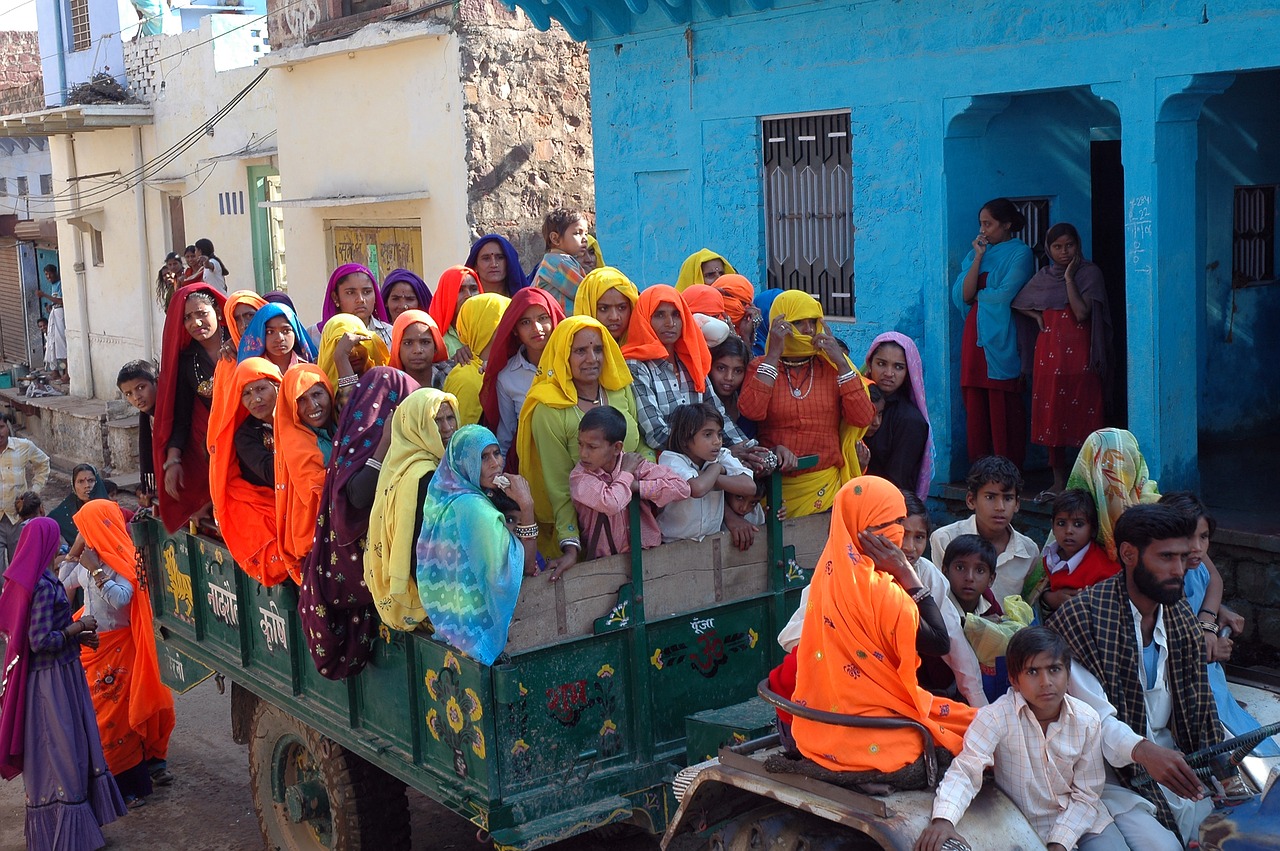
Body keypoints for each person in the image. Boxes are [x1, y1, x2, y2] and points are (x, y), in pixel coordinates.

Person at [1049, 505, 1220, 849]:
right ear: (1129, 554)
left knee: (1225, 834)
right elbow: (1094, 719)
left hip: (1175, 761)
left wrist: (1219, 762)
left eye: (1182, 557)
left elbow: (1201, 705)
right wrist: (1144, 752)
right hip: (1106, 777)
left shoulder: (1177, 612)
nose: (1178, 570)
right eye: (1166, 557)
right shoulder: (1082, 619)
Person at [789, 476, 975, 777]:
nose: (899, 536)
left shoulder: (827, 572)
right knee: (965, 728)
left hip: (818, 722)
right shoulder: (882, 591)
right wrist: (906, 573)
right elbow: (940, 642)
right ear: (859, 528)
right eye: (887, 524)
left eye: (899, 522)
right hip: (873, 720)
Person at [915, 628, 1123, 851]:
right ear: (1014, 680)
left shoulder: (1087, 720)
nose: (1046, 682)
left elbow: (1087, 795)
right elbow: (967, 769)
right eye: (1032, 672)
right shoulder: (995, 717)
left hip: (1083, 825)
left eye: (1054, 669)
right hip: (1023, 827)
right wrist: (943, 820)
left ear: (1068, 673)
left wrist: (1060, 843)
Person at [0, 518, 128, 846]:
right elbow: (39, 640)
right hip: (50, 682)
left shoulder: (40, 579)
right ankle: (67, 834)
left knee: (71, 746)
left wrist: (79, 637)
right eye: (55, 542)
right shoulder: (41, 587)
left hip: (62, 673)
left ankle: (72, 828)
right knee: (60, 750)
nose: (60, 547)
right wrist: (78, 626)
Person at [303, 370, 418, 671]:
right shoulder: (364, 436)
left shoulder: (423, 438)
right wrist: (385, 442)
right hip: (361, 561)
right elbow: (354, 498)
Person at [516, 316, 648, 579]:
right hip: (589, 531)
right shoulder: (549, 410)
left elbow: (641, 447)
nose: (592, 358)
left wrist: (646, 484)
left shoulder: (619, 390)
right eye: (580, 351)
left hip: (639, 518)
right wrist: (571, 545)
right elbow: (559, 486)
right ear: (563, 355)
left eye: (598, 349)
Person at [64, 500, 176, 807]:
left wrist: (97, 571)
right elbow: (64, 581)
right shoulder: (90, 560)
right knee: (100, 719)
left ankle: (130, 786)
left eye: (85, 529)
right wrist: (76, 553)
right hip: (94, 648)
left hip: (118, 649)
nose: (82, 534)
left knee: (118, 721)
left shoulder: (125, 559)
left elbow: (121, 599)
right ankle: (111, 784)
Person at [1158, 491, 1277, 756]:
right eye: (1189, 537)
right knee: (1228, 745)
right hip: (1184, 676)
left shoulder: (1196, 558)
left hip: (1206, 666)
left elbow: (1214, 580)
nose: (1198, 546)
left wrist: (1209, 621)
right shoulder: (1164, 580)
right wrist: (1207, 646)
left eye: (1204, 537)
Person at [739, 290, 877, 517]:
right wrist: (773, 355)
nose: (808, 330)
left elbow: (862, 418)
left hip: (826, 491)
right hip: (776, 492)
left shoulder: (832, 368)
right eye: (798, 323)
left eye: (813, 322)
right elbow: (752, 410)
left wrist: (842, 364)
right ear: (778, 326)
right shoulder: (760, 366)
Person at [415, 425, 535, 665]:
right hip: (476, 636)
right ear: (463, 462)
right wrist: (527, 507)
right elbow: (524, 568)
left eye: (496, 453)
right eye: (483, 457)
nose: (495, 464)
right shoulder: (475, 510)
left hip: (454, 628)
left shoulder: (447, 496)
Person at [1013, 223, 1112, 495]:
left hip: (1082, 356)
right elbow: (1018, 302)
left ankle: (1088, 483)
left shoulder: (1090, 274)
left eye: (1069, 245)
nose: (1064, 252)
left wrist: (1069, 278)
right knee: (1052, 413)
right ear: (1048, 249)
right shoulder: (1044, 276)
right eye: (1057, 247)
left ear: (1078, 245)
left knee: (1086, 414)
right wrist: (1037, 316)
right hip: (1049, 356)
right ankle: (1058, 482)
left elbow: (1081, 313)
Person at [360, 386, 456, 637]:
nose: (447, 428)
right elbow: (419, 552)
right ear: (416, 426)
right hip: (426, 602)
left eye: (450, 417)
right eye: (435, 421)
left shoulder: (400, 463)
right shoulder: (423, 476)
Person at [953, 198, 1036, 468]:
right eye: (981, 224)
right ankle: (980, 472)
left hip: (1001, 336)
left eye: (988, 223)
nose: (983, 230)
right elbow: (965, 296)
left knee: (1004, 403)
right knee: (975, 403)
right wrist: (978, 257)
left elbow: (1005, 295)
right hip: (973, 335)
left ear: (1007, 224)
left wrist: (979, 294)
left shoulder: (1020, 253)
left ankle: (1008, 470)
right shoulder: (977, 253)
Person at [623, 284, 747, 452]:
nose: (670, 323)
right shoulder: (637, 366)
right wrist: (713, 450)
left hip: (708, 455)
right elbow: (656, 434)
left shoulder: (691, 358)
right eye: (659, 315)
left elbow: (717, 413)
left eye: (676, 314)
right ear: (645, 319)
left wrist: (744, 447)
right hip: (668, 464)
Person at [207, 358, 288, 586]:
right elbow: (270, 473)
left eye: (261, 388)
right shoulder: (246, 434)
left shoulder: (299, 414)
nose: (256, 399)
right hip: (270, 502)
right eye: (247, 394)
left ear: (278, 385)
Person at [153, 283, 227, 532]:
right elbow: (182, 417)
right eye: (187, 318)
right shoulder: (188, 362)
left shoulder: (244, 341)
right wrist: (172, 461)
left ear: (217, 311)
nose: (196, 323)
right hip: (222, 443)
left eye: (201, 314)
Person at [570, 406, 690, 559]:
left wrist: (639, 487)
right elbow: (611, 503)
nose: (583, 453)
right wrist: (626, 474)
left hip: (647, 555)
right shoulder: (580, 477)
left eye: (592, 447)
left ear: (617, 448)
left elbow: (683, 488)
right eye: (580, 444)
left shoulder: (636, 465)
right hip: (604, 562)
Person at [929, 455, 1039, 603]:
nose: (1000, 507)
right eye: (990, 497)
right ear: (971, 500)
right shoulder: (945, 539)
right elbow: (943, 600)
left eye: (1008, 498)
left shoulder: (1028, 551)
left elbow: (1026, 607)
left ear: (1017, 504)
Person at [480, 288, 564, 455]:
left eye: (543, 318)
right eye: (525, 322)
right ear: (515, 330)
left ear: (554, 319)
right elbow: (506, 436)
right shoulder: (508, 376)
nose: (536, 328)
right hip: (529, 465)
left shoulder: (572, 362)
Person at [657, 403, 755, 543]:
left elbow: (749, 487)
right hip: (673, 542)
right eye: (708, 435)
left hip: (710, 541)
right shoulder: (671, 460)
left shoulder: (721, 455)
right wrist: (715, 469)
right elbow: (697, 489)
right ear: (686, 439)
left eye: (719, 434)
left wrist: (711, 477)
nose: (717, 441)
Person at [274, 364, 334, 583]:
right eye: (302, 400)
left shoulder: (334, 428)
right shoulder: (298, 441)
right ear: (291, 405)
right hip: (316, 546)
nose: (313, 405)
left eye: (317, 394)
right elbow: (316, 489)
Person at [863, 332, 934, 500]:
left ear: (909, 371)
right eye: (881, 363)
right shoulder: (852, 404)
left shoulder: (910, 421)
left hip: (886, 505)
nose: (889, 373)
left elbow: (897, 482)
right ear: (870, 365)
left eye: (898, 367)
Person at [1040, 489, 1121, 615]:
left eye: (1078, 524)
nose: (1069, 531)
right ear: (1053, 527)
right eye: (1061, 523)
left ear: (1093, 530)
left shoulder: (1103, 571)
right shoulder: (1049, 557)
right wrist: (1049, 597)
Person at [442, 293, 510, 427]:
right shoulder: (465, 379)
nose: (511, 329)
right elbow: (460, 439)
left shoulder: (514, 366)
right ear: (481, 327)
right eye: (502, 323)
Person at [0, 413, 50, 578]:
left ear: (8, 427)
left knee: (20, 569)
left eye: (1, 427)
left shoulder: (23, 446)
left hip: (19, 518)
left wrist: (34, 491)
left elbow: (43, 463)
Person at [309, 264, 393, 349]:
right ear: (335, 298)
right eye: (350, 293)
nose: (360, 299)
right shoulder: (315, 336)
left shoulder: (390, 333)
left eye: (367, 292)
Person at [317, 313, 390, 409]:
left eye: (358, 343)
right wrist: (341, 358)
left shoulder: (384, 381)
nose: (353, 353)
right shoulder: (317, 393)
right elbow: (349, 412)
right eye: (341, 345)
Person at [532, 208, 590, 312]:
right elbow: (585, 293)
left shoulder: (554, 260)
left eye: (586, 233)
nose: (585, 238)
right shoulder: (558, 263)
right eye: (577, 233)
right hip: (564, 326)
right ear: (555, 238)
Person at [237, 302, 317, 373]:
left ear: (296, 334)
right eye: (270, 332)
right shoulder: (252, 371)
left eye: (286, 331)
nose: (279, 338)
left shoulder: (308, 369)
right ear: (260, 336)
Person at [116, 361, 157, 498]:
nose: (136, 397)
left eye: (141, 387)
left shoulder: (170, 413)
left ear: (156, 382)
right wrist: (150, 489)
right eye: (128, 394)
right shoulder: (148, 416)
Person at [428, 265, 484, 361]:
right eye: (460, 290)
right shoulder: (432, 336)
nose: (469, 296)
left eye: (474, 289)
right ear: (446, 294)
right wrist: (453, 362)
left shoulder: (491, 329)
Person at [573, 266, 638, 345]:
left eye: (622, 308)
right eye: (603, 308)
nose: (614, 317)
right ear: (588, 307)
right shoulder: (572, 352)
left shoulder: (644, 352)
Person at [48, 463, 107, 547]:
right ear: (74, 486)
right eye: (81, 482)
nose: (87, 486)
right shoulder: (63, 514)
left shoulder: (108, 508)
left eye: (91, 481)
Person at [708, 336, 755, 439]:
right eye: (721, 368)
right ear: (709, 367)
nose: (729, 377)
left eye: (738, 371)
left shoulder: (748, 404)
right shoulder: (700, 404)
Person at [388, 308, 447, 389]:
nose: (417, 350)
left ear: (436, 346)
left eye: (425, 342)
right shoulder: (389, 386)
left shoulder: (450, 376)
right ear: (397, 348)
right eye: (408, 343)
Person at [465, 234, 528, 298]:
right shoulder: (464, 300)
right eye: (486, 258)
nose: (493, 264)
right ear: (475, 265)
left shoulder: (524, 301)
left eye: (500, 257)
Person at [37, 264, 68, 383]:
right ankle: (55, 372)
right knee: (52, 343)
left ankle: (66, 373)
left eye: (50, 273)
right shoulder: (53, 285)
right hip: (55, 313)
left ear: (56, 272)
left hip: (61, 316)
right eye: (46, 274)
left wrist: (45, 295)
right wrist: (51, 306)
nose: (48, 276)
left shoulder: (61, 284)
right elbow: (56, 301)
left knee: (62, 344)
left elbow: (61, 301)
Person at [713, 274, 760, 342]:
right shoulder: (703, 324)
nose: (737, 305)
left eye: (743, 302)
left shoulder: (747, 326)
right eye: (730, 297)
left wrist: (745, 336)